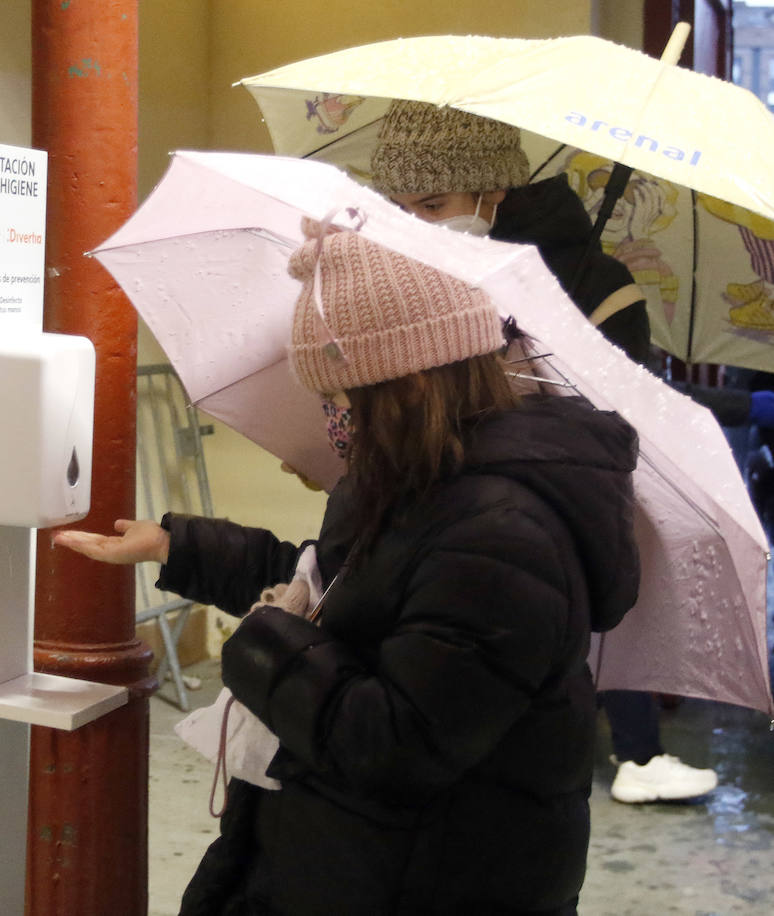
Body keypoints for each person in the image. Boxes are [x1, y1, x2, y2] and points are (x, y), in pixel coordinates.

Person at [57, 225, 641, 914]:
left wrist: (266, 640)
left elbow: (395, 744)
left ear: (413, 386)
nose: (333, 421)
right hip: (363, 862)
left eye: (339, 400)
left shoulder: (503, 537)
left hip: (432, 878)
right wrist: (178, 546)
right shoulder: (421, 480)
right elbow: (344, 593)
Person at [368, 99, 721, 805]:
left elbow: (615, 434)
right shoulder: (416, 271)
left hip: (535, 524)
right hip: (427, 522)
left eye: (432, 204)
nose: (413, 225)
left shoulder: (599, 288)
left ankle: (637, 752)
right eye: (397, 207)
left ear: (492, 193)